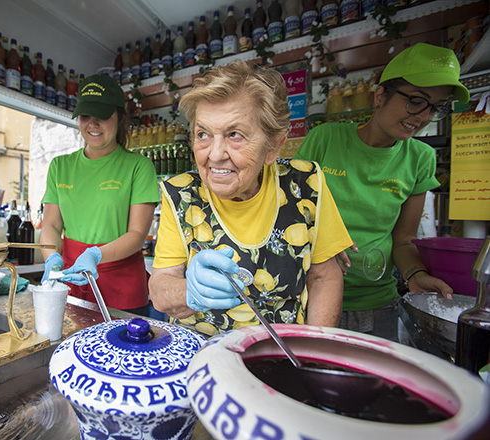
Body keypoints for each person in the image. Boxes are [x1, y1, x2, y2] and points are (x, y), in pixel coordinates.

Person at [148, 61, 353, 336]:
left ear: (273, 146)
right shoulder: (181, 194)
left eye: (235, 135)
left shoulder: (306, 186)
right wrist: (189, 291)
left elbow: (324, 277)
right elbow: (161, 289)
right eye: (203, 134)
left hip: (281, 353)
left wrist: (314, 353)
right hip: (200, 357)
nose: (215, 154)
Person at [294, 43, 470, 341]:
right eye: (416, 101)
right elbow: (291, 216)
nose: (425, 116)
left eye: (436, 107)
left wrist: (416, 275)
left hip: (376, 306)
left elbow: (402, 240)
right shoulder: (325, 139)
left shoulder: (420, 159)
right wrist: (325, 241)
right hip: (310, 298)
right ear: (379, 96)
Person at [39, 73, 159, 315]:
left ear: (119, 118)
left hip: (122, 286)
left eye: (102, 116)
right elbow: (50, 225)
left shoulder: (138, 166)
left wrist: (96, 254)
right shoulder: (60, 166)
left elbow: (137, 234)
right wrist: (51, 258)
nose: (92, 124)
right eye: (85, 116)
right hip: (73, 280)